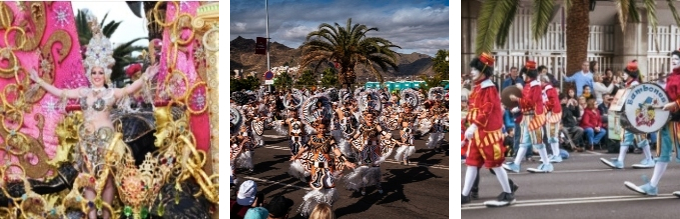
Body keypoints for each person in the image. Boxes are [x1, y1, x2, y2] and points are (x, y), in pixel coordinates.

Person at [29, 19, 156, 219]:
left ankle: (106, 215)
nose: (97, 75)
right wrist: (40, 81)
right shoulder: (83, 92)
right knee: (89, 178)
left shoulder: (111, 93)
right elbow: (59, 91)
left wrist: (146, 77)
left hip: (108, 141)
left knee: (108, 180)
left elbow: (130, 89)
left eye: (100, 72)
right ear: (89, 72)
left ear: (106, 73)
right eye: (94, 72)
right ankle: (91, 216)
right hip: (87, 141)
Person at [462, 53, 515, 207]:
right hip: (478, 133)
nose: (471, 72)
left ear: (483, 71)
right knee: (472, 163)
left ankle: (508, 193)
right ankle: (465, 194)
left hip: (487, 133)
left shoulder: (488, 88)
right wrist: (468, 125)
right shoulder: (478, 87)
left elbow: (487, 109)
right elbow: (474, 109)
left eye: (474, 69)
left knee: (495, 164)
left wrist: (473, 125)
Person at [625, 49, 680, 196]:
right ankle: (652, 186)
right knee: (662, 153)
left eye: (677, 58)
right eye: (672, 58)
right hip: (668, 119)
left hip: (678, 120)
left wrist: (675, 104)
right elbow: (665, 96)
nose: (673, 60)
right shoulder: (671, 77)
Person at [600, 60, 655, 169]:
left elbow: (636, 100)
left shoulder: (635, 85)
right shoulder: (629, 85)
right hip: (628, 115)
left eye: (625, 73)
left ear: (630, 75)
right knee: (625, 138)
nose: (623, 75)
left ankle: (649, 159)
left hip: (637, 116)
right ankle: (620, 161)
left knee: (640, 138)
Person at [503, 60, 552, 173]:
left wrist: (517, 99)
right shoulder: (529, 85)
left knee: (538, 141)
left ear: (528, 74)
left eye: (524, 74)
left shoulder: (534, 85)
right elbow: (527, 101)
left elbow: (531, 102)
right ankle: (516, 164)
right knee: (524, 142)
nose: (522, 76)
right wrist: (519, 106)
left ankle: (546, 164)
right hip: (527, 116)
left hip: (534, 117)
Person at [540, 74, 563, 162]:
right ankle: (555, 154)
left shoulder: (548, 88)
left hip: (553, 113)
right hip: (552, 112)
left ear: (543, 81)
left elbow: (551, 101)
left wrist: (544, 108)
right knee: (551, 134)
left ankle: (556, 155)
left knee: (552, 134)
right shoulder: (546, 89)